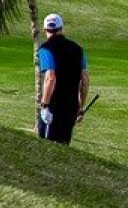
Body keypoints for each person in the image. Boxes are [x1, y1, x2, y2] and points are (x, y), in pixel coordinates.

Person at [36, 13, 89, 144]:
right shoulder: (77, 49)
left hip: (53, 108)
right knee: (63, 148)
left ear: (44, 30)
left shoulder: (45, 49)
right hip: (70, 107)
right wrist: (80, 107)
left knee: (46, 149)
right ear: (61, 29)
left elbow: (50, 78)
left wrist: (45, 106)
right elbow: (85, 80)